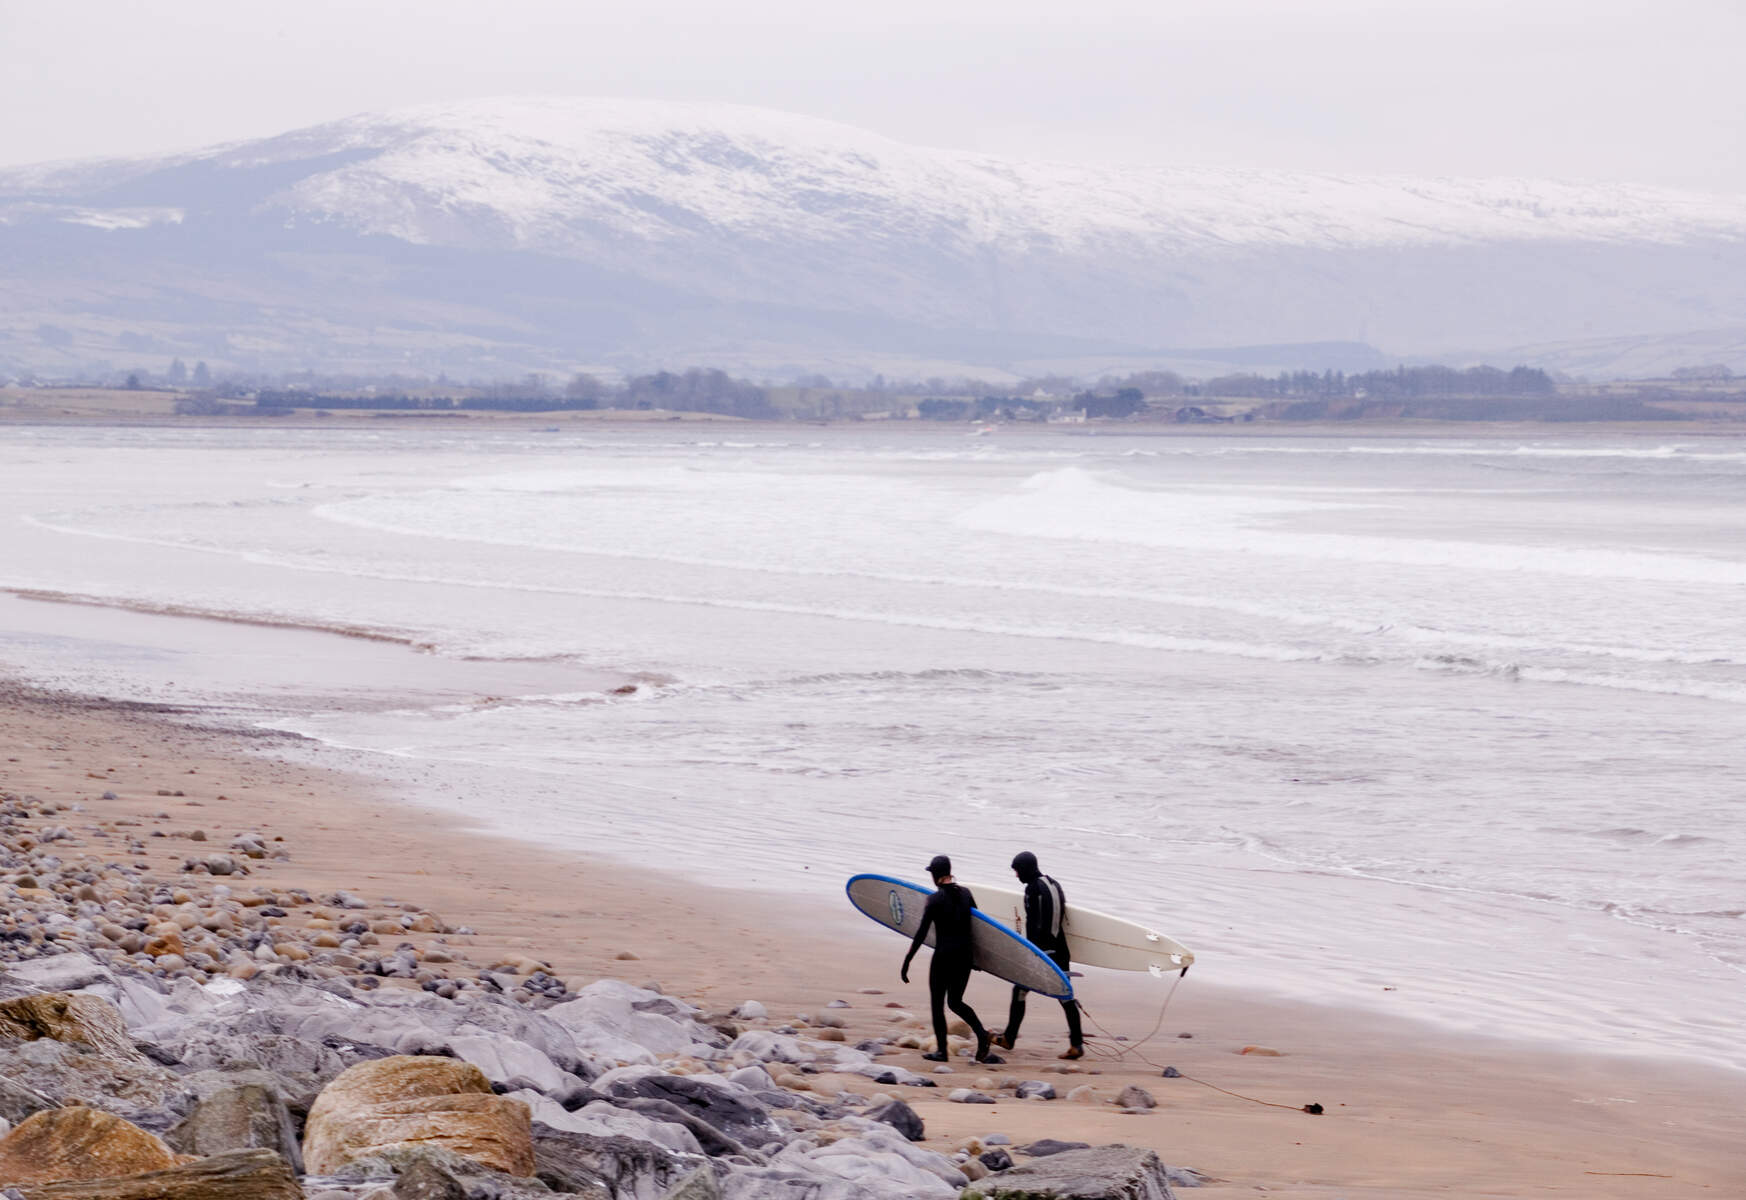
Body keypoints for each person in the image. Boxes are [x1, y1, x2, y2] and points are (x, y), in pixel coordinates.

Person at [900, 854, 1003, 1063]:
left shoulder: (934, 900)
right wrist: (978, 960)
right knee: (956, 1002)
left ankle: (942, 1052)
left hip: (944, 957)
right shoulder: (966, 894)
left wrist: (907, 961)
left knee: (938, 1004)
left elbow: (921, 933)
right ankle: (982, 1035)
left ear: (936, 875)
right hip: (964, 957)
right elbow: (979, 928)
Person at [991, 850, 1085, 1059]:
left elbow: (1035, 925)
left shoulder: (1033, 889)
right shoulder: (1054, 883)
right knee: (1066, 995)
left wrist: (1030, 953)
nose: (1017, 876)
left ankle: (1009, 1038)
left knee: (1020, 992)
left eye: (1017, 871)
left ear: (1025, 869)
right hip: (1061, 949)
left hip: (1043, 951)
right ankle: (1077, 1044)